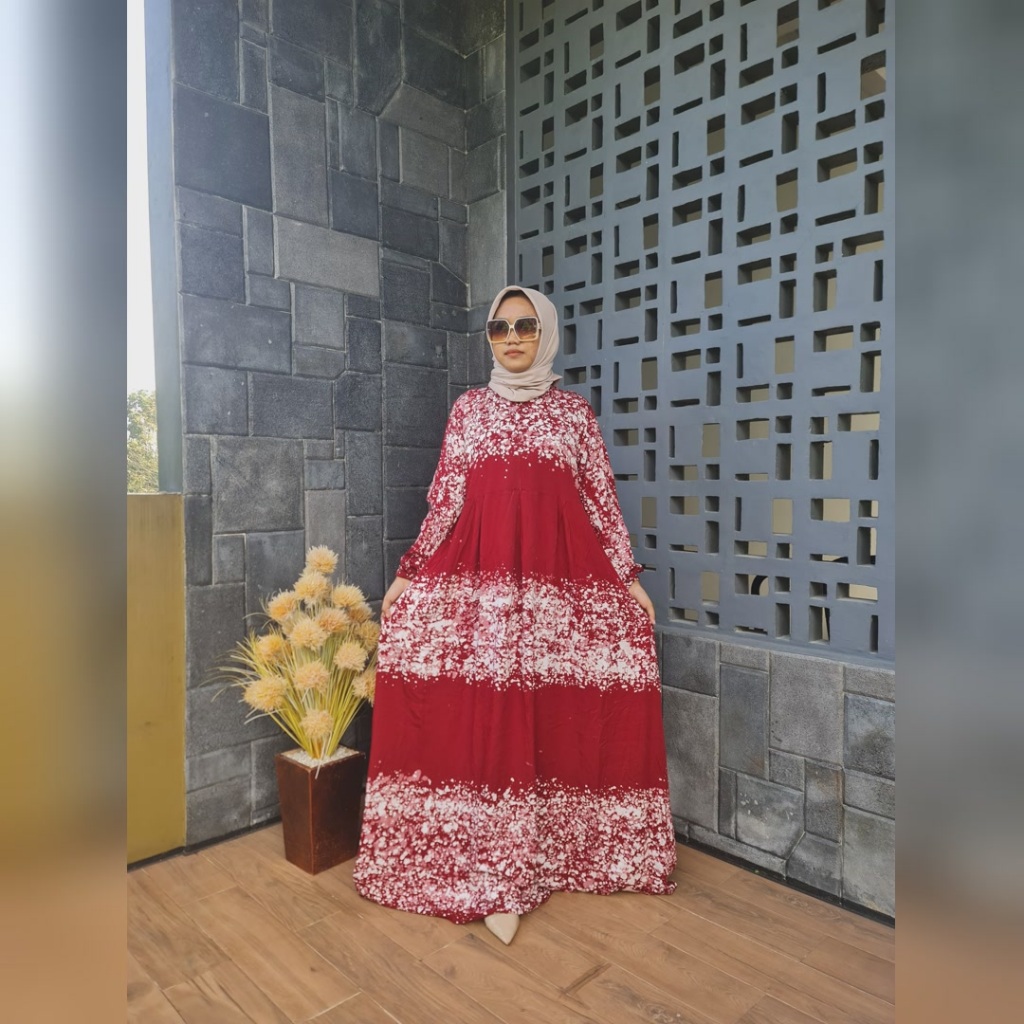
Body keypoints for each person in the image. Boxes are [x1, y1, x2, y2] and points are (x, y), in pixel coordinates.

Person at [353, 285, 677, 944]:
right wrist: (410, 571)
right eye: (499, 328)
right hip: (483, 590)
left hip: (559, 589)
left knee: (552, 712)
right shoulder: (469, 410)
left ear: (546, 332)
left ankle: (548, 854)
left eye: (526, 325)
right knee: (488, 712)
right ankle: (494, 863)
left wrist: (625, 577)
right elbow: (447, 500)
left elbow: (599, 501)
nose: (512, 338)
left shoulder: (573, 414)